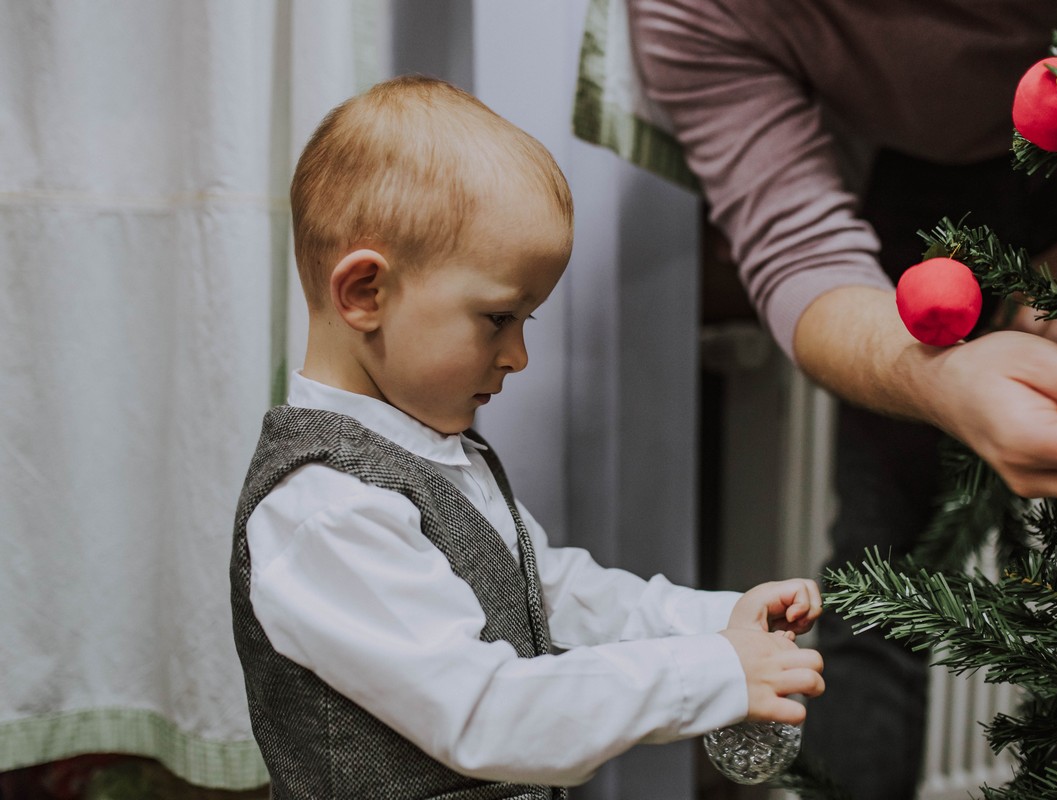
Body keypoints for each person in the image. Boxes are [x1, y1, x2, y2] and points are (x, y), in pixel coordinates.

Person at [625, 2, 1057, 799]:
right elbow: (801, 257)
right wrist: (936, 380)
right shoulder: (688, 18)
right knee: (876, 571)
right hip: (928, 184)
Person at [229, 75, 826, 799]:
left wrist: (708, 623)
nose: (518, 356)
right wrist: (709, 673)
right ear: (364, 294)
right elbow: (488, 714)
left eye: (527, 321)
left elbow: (551, 593)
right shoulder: (323, 509)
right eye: (497, 318)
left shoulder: (438, 456)